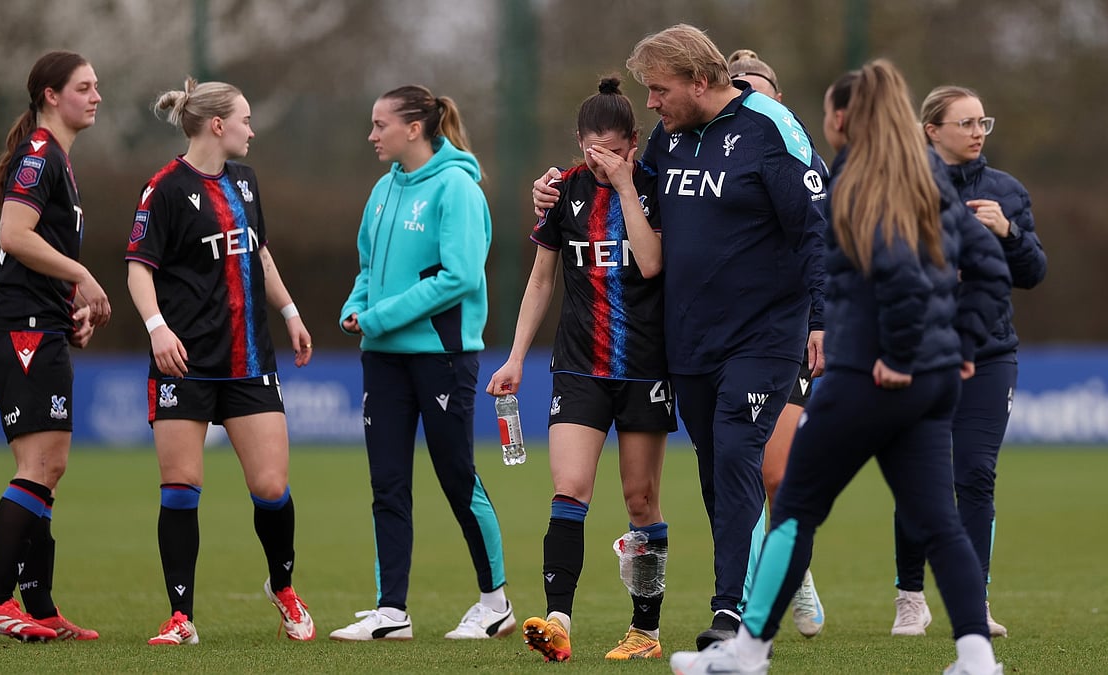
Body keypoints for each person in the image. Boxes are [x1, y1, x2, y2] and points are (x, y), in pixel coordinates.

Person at [669, 59, 1012, 675]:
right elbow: (996, 265)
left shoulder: (857, 179)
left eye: (827, 110)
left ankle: (747, 652)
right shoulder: (926, 174)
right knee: (939, 519)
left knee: (794, 510)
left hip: (872, 376)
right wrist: (959, 347)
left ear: (841, 118)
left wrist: (901, 354)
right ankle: (976, 657)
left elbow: (901, 278)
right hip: (932, 381)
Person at [534, 24, 828, 648]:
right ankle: (747, 598)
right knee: (716, 474)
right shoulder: (671, 141)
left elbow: (815, 233)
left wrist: (824, 319)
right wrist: (554, 187)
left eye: (659, 90)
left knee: (737, 455)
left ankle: (734, 617)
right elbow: (624, 185)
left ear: (700, 81)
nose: (651, 103)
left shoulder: (769, 131)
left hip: (763, 336)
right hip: (689, 342)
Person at [487, 76, 673, 662]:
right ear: (578, 143)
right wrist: (516, 357)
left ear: (633, 144)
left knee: (641, 501)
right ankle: (559, 620)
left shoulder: (654, 186)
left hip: (645, 368)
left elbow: (650, 263)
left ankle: (645, 631)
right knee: (569, 490)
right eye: (593, 151)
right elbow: (542, 279)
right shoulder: (563, 191)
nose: (602, 163)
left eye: (614, 152)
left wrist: (623, 186)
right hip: (577, 367)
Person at [125, 77, 316, 645]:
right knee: (180, 487)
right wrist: (157, 329)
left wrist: (289, 311)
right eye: (246, 120)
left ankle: (283, 588)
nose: (252, 130)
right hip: (185, 363)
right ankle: (181, 616)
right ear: (216, 125)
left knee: (271, 487)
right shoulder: (163, 188)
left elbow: (258, 251)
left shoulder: (246, 182)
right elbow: (139, 267)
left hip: (250, 360)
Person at [333, 84, 514, 642]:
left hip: (442, 358)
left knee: (457, 477)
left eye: (379, 125)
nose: (372, 135)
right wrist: (355, 307)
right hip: (381, 360)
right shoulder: (382, 190)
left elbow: (459, 276)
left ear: (414, 128)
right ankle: (392, 611)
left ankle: (495, 603)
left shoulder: (458, 188)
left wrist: (381, 316)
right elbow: (367, 266)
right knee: (387, 484)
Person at [889, 85, 1047, 639]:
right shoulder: (902, 186)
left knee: (975, 474)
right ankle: (911, 597)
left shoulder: (1006, 191)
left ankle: (973, 601)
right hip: (919, 352)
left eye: (984, 121)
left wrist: (1009, 232)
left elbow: (1033, 272)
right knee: (917, 478)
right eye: (966, 123)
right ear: (932, 131)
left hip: (989, 352)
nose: (978, 132)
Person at [0, 50, 109, 643]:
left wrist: (69, 308)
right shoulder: (39, 154)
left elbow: (33, 250)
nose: (96, 95)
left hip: (38, 323)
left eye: (97, 85)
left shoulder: (61, 163)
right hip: (18, 327)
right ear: (51, 95)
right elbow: (13, 234)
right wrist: (83, 275)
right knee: (40, 466)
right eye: (84, 86)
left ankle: (40, 607)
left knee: (48, 468)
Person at [727, 47, 826, 639]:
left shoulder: (803, 162)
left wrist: (821, 319)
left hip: (783, 333)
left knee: (773, 475)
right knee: (738, 472)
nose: (748, 96)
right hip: (721, 337)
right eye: (739, 87)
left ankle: (794, 573)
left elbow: (823, 248)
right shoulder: (711, 150)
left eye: (758, 87)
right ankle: (741, 607)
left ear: (778, 99)